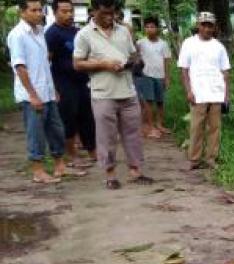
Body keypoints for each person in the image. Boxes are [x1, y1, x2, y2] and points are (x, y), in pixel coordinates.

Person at [73, 0, 153, 189]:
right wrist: (104, 64)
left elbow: (134, 54)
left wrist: (134, 63)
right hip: (103, 93)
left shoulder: (124, 31)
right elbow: (77, 64)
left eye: (112, 13)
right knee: (106, 136)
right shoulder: (84, 35)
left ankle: (135, 170)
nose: (109, 17)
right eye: (104, 14)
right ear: (93, 12)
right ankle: (110, 175)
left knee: (133, 133)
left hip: (127, 90)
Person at [6, 0, 71, 183]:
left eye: (40, 10)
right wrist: (32, 95)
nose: (38, 13)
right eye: (33, 10)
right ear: (22, 12)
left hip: (47, 91)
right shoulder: (17, 35)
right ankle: (38, 171)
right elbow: (20, 67)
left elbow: (44, 64)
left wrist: (53, 89)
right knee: (36, 134)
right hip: (31, 95)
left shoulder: (40, 31)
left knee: (57, 130)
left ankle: (60, 166)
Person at [45, 0, 96, 169]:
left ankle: (92, 152)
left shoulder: (77, 32)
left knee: (87, 118)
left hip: (82, 82)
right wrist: (53, 88)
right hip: (63, 83)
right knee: (69, 119)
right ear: (55, 12)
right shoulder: (52, 34)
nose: (69, 15)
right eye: (64, 11)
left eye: (71, 11)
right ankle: (71, 155)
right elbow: (47, 62)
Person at [177, 11, 230, 170]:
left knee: (214, 128)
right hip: (198, 92)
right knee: (196, 127)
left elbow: (225, 72)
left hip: (216, 92)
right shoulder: (189, 43)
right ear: (198, 26)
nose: (207, 28)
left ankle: (211, 158)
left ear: (214, 28)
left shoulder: (219, 46)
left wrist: (226, 95)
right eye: (204, 25)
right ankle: (194, 159)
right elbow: (184, 70)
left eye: (210, 26)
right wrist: (188, 90)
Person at [135, 16, 171, 138]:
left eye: (152, 26)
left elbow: (167, 61)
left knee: (160, 102)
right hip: (146, 75)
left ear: (157, 28)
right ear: (144, 28)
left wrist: (167, 77)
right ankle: (150, 126)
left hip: (160, 76)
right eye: (147, 27)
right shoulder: (140, 43)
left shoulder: (163, 44)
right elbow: (134, 56)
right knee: (148, 102)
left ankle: (159, 124)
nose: (150, 29)